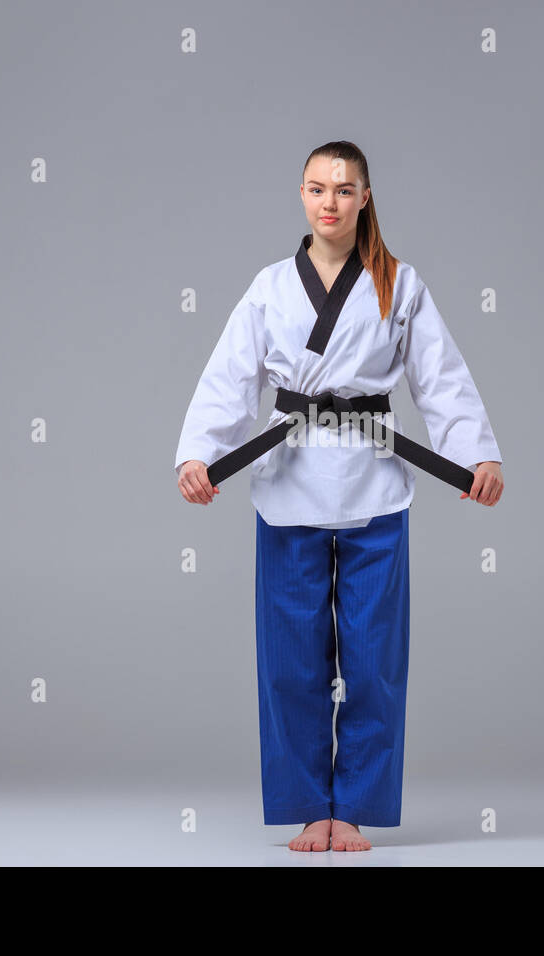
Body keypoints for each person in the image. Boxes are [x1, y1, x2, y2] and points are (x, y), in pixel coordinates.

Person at [174, 140, 503, 851]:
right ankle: (305, 805)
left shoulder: (397, 283)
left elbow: (439, 376)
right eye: (318, 188)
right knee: (291, 659)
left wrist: (475, 454)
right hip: (286, 482)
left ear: (364, 200)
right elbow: (231, 377)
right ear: (301, 195)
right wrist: (199, 451)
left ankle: (351, 807)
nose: (330, 201)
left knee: (373, 658)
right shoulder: (269, 287)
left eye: (345, 190)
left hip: (374, 480)